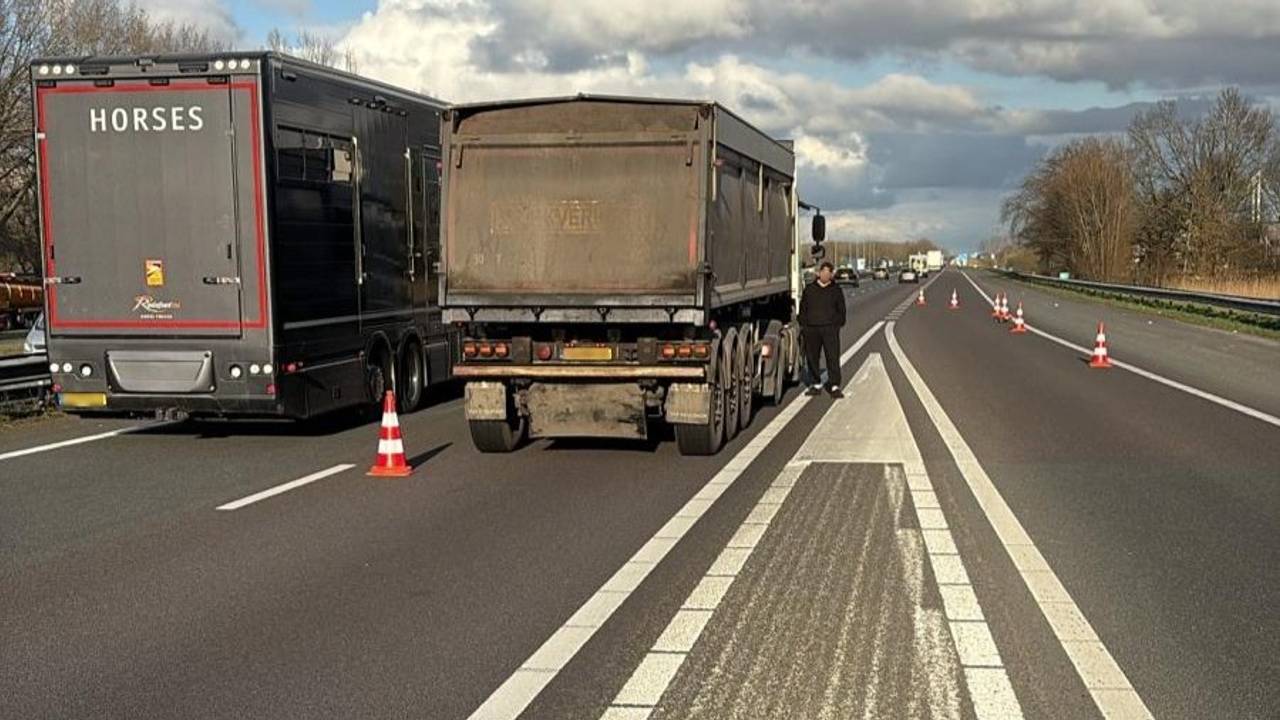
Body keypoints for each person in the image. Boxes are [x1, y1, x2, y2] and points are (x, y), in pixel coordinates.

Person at [798, 260, 847, 398]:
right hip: (812, 328)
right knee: (812, 356)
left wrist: (837, 324)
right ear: (819, 273)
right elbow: (803, 308)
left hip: (830, 329)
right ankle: (815, 383)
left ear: (831, 275)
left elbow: (841, 310)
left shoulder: (836, 290)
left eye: (828, 273)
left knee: (832, 356)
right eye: (823, 272)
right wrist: (804, 324)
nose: (825, 275)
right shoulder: (810, 289)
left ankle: (834, 385)